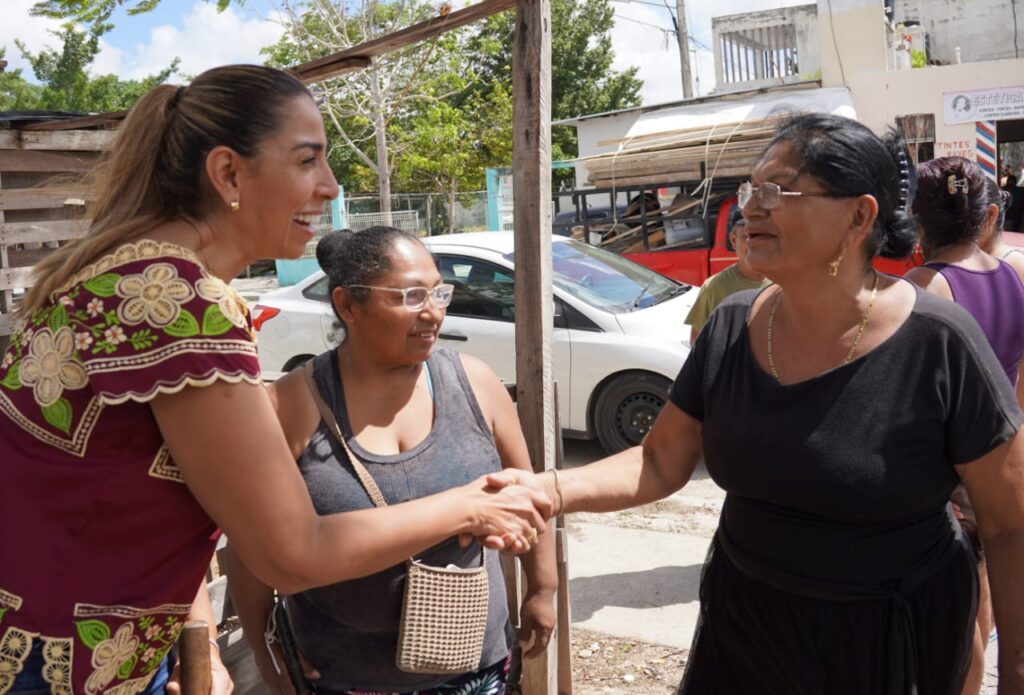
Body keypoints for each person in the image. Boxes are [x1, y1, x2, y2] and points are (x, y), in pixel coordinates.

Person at [0, 66, 550, 695]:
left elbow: (127, 493)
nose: (331, 186)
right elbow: (292, 554)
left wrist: (194, 632)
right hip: (56, 662)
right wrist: (472, 504)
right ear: (229, 174)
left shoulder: (131, 274)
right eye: (307, 160)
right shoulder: (179, 302)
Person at [491, 113, 1024, 694]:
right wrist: (550, 490)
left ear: (858, 216)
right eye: (752, 189)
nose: (751, 208)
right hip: (746, 625)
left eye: (779, 191)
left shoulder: (940, 340)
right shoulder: (729, 325)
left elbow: (1008, 524)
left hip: (888, 639)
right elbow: (660, 459)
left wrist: (1017, 671)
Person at [226, 227, 557, 695]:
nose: (433, 311)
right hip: (341, 675)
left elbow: (528, 493)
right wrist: (263, 643)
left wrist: (542, 588)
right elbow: (251, 542)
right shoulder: (291, 406)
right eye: (410, 296)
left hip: (474, 668)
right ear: (347, 305)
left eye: (439, 292)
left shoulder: (475, 383)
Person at [906, 157, 1024, 695]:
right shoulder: (1015, 275)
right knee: (984, 586)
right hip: (1002, 457)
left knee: (956, 610)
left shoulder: (923, 287)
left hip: (948, 471)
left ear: (917, 218)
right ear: (985, 216)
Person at [685, 216, 771, 343]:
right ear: (733, 240)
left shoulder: (784, 282)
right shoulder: (714, 287)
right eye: (747, 236)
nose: (754, 244)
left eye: (760, 236)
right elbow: (697, 342)